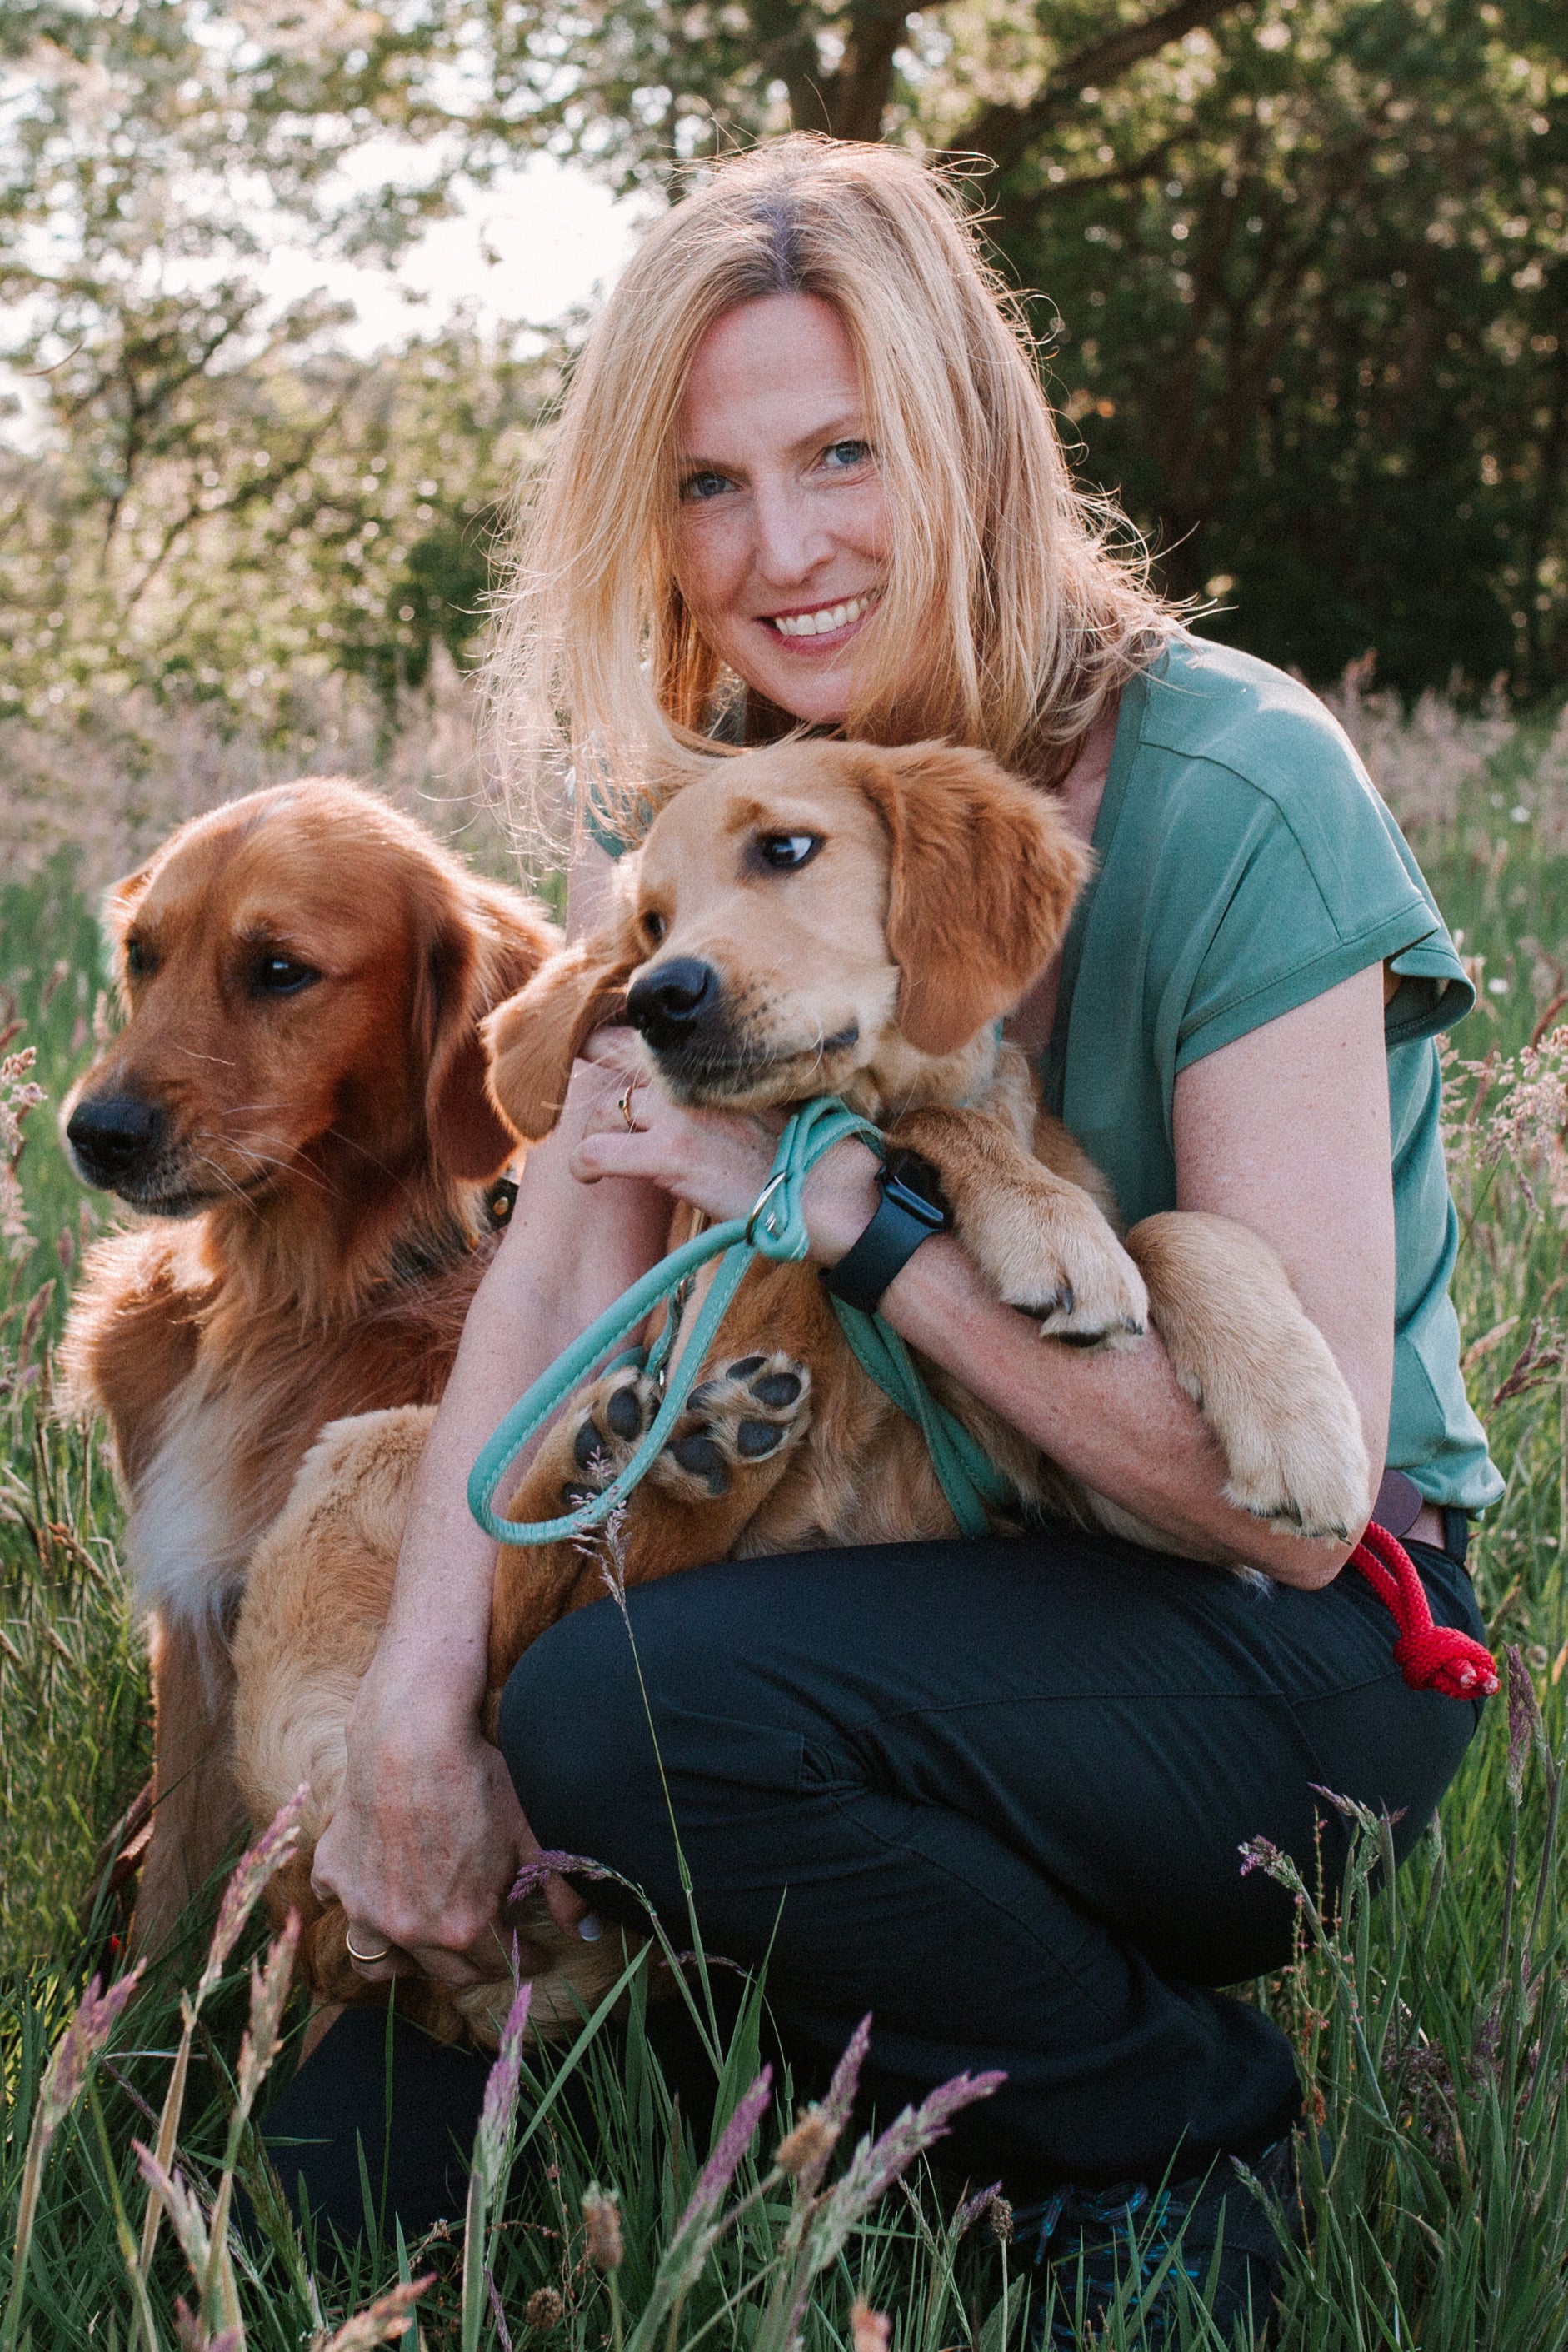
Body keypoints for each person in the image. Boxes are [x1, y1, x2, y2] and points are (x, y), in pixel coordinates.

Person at [277, 137, 1500, 2335]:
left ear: (968, 441)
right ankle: (840, 2040)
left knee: (644, 1712)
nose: (784, 550)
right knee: (327, 2178)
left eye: (842, 453)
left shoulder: (1232, 785)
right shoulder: (695, 815)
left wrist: (848, 1215)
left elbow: (1288, 1516)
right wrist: (413, 1720)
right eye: (709, 483)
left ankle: (1158, 2123)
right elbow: (555, 1277)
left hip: (1267, 1644)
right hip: (843, 1570)